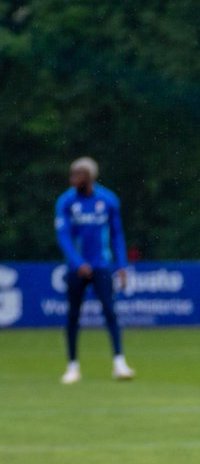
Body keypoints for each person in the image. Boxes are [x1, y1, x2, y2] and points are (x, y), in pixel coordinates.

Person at [54, 157, 134, 383]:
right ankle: (72, 367)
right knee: (73, 316)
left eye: (77, 175)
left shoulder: (108, 200)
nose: (73, 179)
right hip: (75, 268)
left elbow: (117, 235)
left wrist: (121, 266)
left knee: (110, 312)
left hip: (101, 265)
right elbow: (63, 236)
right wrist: (78, 262)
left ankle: (119, 363)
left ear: (89, 177)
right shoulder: (66, 202)